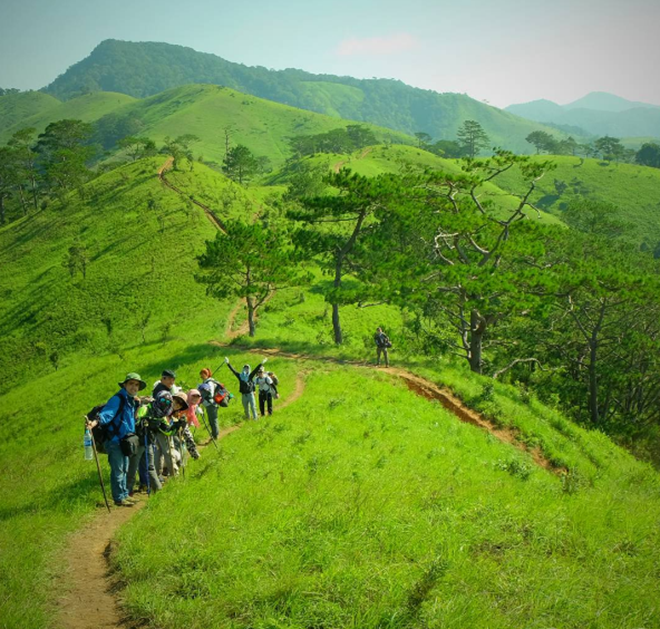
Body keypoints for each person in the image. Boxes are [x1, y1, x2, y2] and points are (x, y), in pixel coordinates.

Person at [87, 372, 145, 507]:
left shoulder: (131, 401)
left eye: (136, 385)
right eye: (131, 384)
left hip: (125, 441)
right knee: (118, 470)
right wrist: (93, 423)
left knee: (124, 468)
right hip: (115, 441)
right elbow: (106, 414)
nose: (134, 387)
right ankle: (119, 498)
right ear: (125, 385)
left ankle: (124, 495)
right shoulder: (118, 399)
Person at [198, 368, 222, 439]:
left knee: (213, 420)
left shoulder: (209, 383)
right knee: (211, 420)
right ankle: (214, 434)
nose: (201, 376)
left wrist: (202, 393)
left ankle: (215, 436)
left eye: (203, 375)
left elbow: (210, 394)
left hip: (211, 404)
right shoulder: (206, 382)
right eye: (201, 375)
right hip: (209, 404)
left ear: (206, 374)